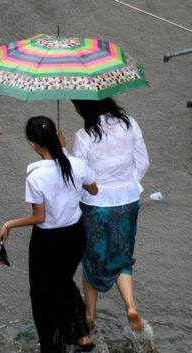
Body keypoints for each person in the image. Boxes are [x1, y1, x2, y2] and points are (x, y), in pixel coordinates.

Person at [0, 116, 98, 353]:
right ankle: (80, 332)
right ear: (56, 136)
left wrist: (9, 224)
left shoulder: (35, 175)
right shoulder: (76, 164)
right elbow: (94, 190)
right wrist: (65, 153)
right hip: (75, 235)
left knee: (43, 295)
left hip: (48, 241)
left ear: (33, 144)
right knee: (63, 282)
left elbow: (39, 217)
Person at [71, 98, 150, 331]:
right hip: (128, 202)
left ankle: (90, 314)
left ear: (84, 107)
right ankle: (131, 306)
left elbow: (80, 176)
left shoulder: (83, 136)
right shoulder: (130, 124)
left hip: (95, 206)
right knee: (122, 256)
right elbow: (143, 162)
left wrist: (63, 149)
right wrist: (128, 184)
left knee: (91, 259)